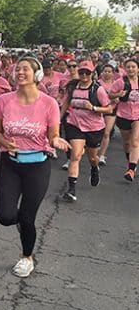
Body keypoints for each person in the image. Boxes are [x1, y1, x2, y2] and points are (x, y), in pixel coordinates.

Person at [0, 56, 70, 277]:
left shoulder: (48, 104)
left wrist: (55, 141)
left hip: (37, 165)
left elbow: (53, 134)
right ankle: (22, 223)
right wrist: (4, 142)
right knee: (5, 216)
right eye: (18, 69)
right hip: (11, 163)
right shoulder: (4, 100)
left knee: (28, 218)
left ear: (36, 75)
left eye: (26, 69)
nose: (20, 72)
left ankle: (27, 257)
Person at [60, 61, 112, 202]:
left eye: (87, 72)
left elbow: (109, 109)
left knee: (92, 157)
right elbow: (65, 103)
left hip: (93, 127)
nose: (83, 75)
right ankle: (71, 189)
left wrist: (93, 108)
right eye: (81, 72)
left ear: (92, 74)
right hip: (75, 124)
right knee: (75, 155)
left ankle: (94, 168)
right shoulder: (72, 87)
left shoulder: (98, 90)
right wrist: (58, 119)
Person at [109, 58, 139, 181]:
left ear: (138, 69)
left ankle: (131, 169)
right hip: (123, 115)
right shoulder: (120, 82)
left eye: (133, 67)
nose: (131, 69)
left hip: (137, 116)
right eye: (128, 67)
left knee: (135, 141)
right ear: (125, 69)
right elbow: (110, 94)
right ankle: (130, 161)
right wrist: (118, 95)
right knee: (127, 143)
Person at [97, 63, 118, 165]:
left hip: (111, 110)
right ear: (102, 73)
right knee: (98, 133)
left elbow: (119, 98)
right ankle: (94, 151)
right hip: (98, 110)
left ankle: (101, 155)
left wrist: (116, 97)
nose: (107, 73)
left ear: (113, 74)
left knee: (106, 133)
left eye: (109, 72)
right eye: (105, 71)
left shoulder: (116, 84)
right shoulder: (97, 83)